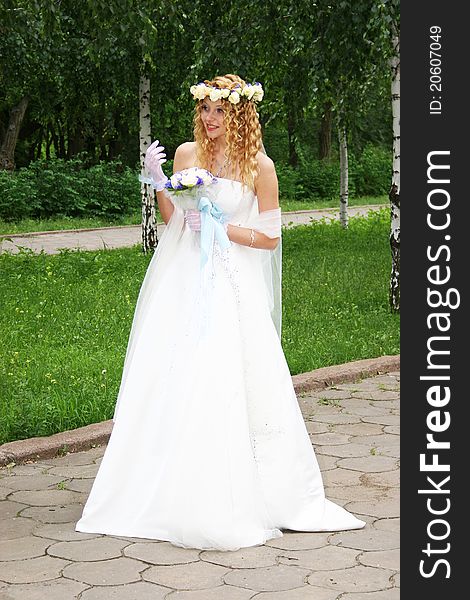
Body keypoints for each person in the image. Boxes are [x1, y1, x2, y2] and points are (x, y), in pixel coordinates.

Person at [75, 74, 365, 551]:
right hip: (187, 276)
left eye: (219, 111)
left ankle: (243, 490)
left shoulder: (260, 167)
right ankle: (160, 490)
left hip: (232, 283)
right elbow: (173, 220)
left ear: (240, 114)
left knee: (228, 374)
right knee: (173, 370)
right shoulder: (189, 155)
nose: (209, 120)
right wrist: (158, 185)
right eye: (205, 110)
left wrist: (219, 227)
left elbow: (271, 237)